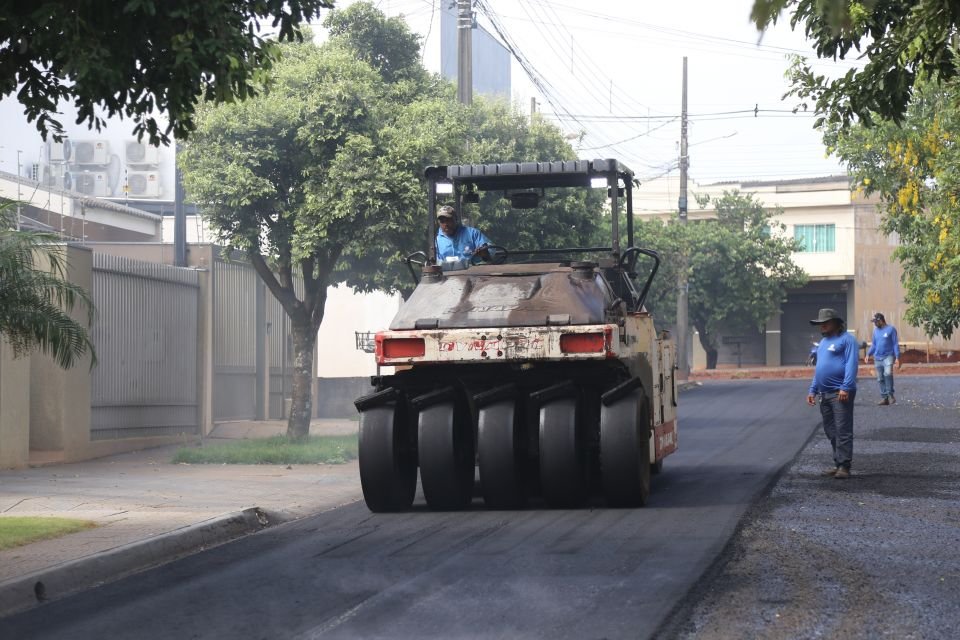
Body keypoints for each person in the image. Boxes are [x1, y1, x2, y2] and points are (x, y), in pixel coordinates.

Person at [806, 308, 859, 479]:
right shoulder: (823, 343)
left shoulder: (847, 340)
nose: (822, 326)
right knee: (831, 430)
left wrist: (846, 387)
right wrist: (813, 390)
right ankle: (838, 462)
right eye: (820, 323)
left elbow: (851, 365)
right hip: (824, 394)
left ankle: (844, 466)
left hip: (840, 392)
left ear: (836, 323)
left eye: (825, 323)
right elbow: (819, 369)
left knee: (843, 429)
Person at [434, 205, 492, 270]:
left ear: (456, 219)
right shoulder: (436, 240)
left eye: (448, 220)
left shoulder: (472, 233)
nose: (445, 224)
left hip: (473, 273)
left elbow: (491, 250)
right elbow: (437, 263)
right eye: (442, 221)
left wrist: (485, 253)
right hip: (448, 274)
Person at [865, 312, 901, 405]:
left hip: (888, 356)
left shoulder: (891, 329)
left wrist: (897, 357)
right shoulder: (875, 331)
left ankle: (890, 394)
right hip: (877, 357)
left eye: (876, 322)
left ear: (881, 320)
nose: (875, 324)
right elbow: (874, 344)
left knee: (888, 374)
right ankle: (885, 398)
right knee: (880, 378)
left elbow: (895, 344)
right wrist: (868, 354)